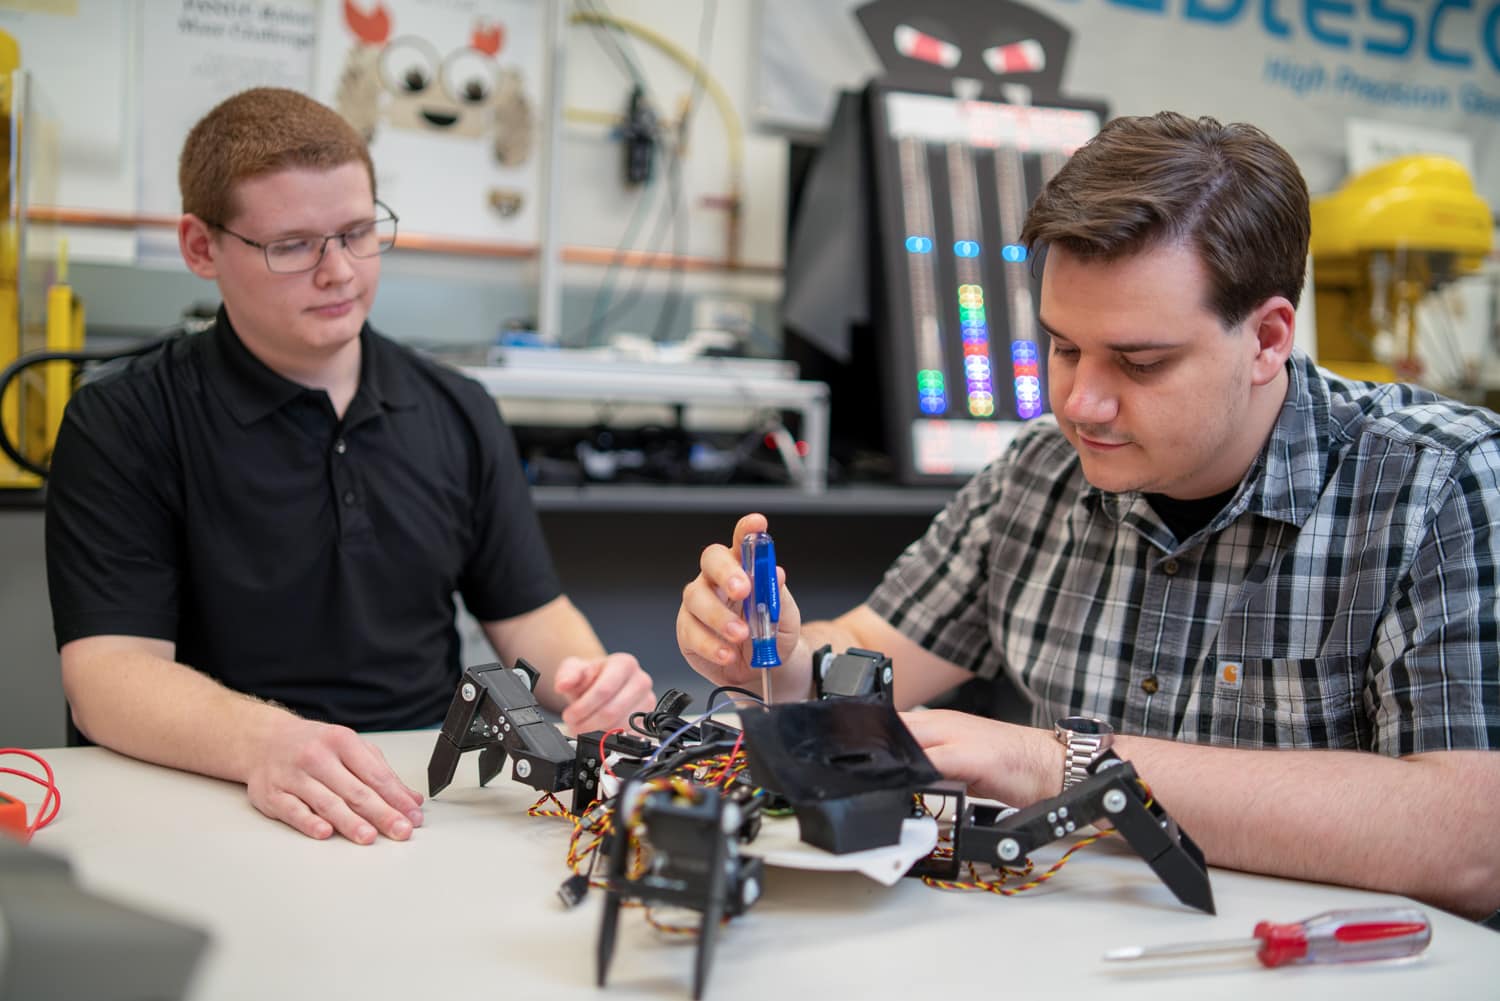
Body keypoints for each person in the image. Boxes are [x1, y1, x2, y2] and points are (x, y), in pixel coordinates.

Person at [678, 112, 1500, 921]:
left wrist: (1059, 764)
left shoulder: (1444, 485)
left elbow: (1472, 840)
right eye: (1063, 346)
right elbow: (859, 662)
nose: (1079, 402)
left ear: (1267, 339)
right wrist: (769, 655)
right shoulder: (1040, 469)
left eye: (1139, 362)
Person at [45, 87, 656, 846]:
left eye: (359, 231)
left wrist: (594, 683)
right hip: (218, 787)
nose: (339, 272)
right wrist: (264, 742)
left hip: (416, 796)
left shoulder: (457, 409)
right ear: (202, 247)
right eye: (293, 244)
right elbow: (108, 678)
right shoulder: (124, 422)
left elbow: (529, 614)